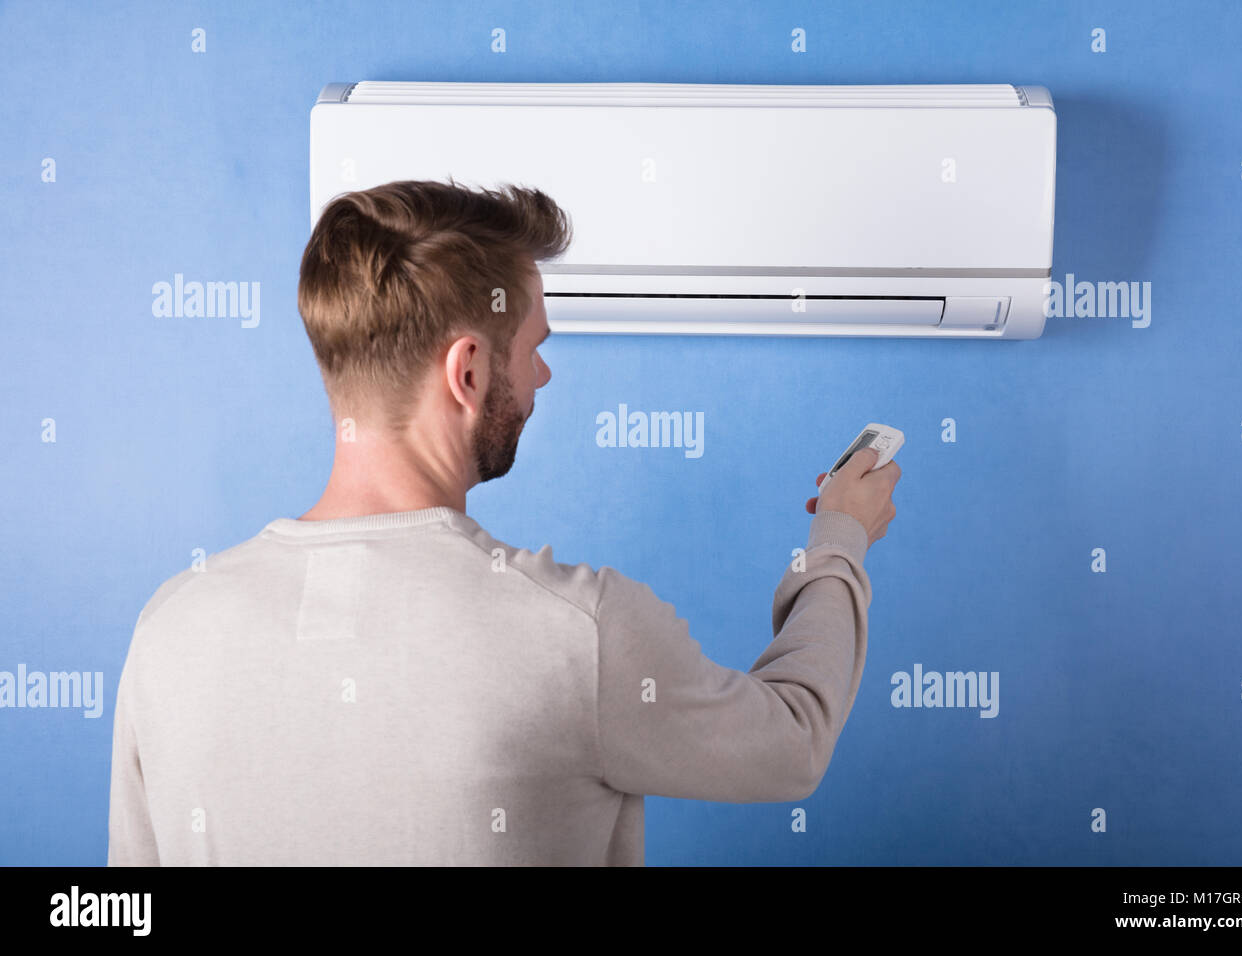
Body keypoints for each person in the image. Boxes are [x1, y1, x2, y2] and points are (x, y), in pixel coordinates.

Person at [107, 179, 900, 866]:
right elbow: (792, 740)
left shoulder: (172, 626)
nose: (543, 373)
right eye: (532, 346)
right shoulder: (577, 633)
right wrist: (839, 540)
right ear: (469, 371)